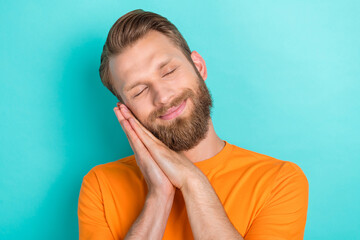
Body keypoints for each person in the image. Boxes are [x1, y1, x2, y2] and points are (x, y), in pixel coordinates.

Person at [78, 9, 309, 240]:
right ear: (126, 110)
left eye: (168, 71)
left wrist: (192, 181)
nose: (163, 97)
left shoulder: (279, 181)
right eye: (139, 91)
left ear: (198, 67)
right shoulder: (100, 186)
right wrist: (159, 196)